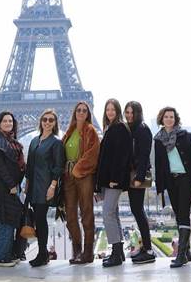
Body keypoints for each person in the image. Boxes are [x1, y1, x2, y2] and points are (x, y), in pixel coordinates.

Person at [154, 106, 191, 268]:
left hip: (186, 179)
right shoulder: (158, 139)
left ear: (175, 119)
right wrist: (160, 187)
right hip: (171, 181)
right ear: (162, 119)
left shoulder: (184, 136)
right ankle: (186, 252)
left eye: (172, 117)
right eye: (166, 116)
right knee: (178, 214)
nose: (169, 119)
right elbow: (159, 165)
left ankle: (181, 254)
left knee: (183, 214)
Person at [25, 109, 65, 267]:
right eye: (45, 120)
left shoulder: (56, 142)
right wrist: (27, 185)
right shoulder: (35, 141)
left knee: (41, 220)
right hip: (33, 186)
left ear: (55, 124)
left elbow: (58, 166)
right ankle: (42, 253)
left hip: (46, 186)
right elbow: (29, 165)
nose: (47, 122)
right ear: (40, 122)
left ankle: (43, 254)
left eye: (51, 120)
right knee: (37, 219)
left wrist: (53, 186)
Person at [95, 98, 133, 268]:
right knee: (113, 213)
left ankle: (116, 251)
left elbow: (121, 156)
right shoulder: (112, 128)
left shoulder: (118, 128)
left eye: (113, 109)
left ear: (118, 111)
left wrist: (114, 179)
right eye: (107, 109)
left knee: (107, 213)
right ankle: (119, 252)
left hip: (114, 180)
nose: (110, 112)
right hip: (110, 179)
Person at [61, 101, 99, 265]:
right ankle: (77, 250)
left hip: (83, 175)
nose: (81, 112)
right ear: (74, 112)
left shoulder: (90, 130)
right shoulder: (69, 131)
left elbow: (93, 153)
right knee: (70, 216)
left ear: (88, 113)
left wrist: (78, 168)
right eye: (79, 110)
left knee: (86, 213)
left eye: (84, 110)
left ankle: (88, 252)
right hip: (68, 175)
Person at [0, 111, 25, 267]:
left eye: (10, 121)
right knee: (4, 220)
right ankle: (0, 257)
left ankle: (6, 253)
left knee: (9, 219)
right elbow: (0, 166)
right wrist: (11, 185)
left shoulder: (9, 140)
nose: (8, 123)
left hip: (8, 188)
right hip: (3, 189)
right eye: (5, 121)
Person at [124, 101, 156, 265]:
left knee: (138, 211)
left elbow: (144, 156)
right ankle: (146, 248)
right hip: (132, 174)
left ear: (138, 113)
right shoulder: (131, 128)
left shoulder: (142, 129)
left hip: (137, 176)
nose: (129, 115)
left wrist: (139, 178)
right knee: (136, 210)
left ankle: (149, 250)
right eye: (127, 112)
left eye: (132, 113)